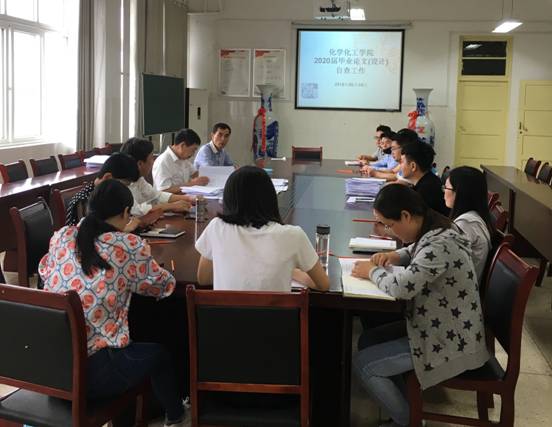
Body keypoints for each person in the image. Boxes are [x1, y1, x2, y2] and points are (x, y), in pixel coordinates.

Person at [39, 180, 187, 427]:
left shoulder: (62, 236)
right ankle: (176, 417)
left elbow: (44, 270)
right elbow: (163, 286)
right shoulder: (127, 245)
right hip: (92, 375)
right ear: (126, 213)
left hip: (49, 367)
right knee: (160, 355)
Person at [351, 184, 489, 427]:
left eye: (389, 225)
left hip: (449, 339)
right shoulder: (436, 226)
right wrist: (395, 256)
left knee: (365, 366)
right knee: (368, 340)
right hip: (439, 325)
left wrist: (371, 271)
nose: (388, 232)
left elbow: (402, 287)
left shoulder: (440, 243)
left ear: (406, 216)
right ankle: (408, 408)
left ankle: (409, 421)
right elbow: (418, 250)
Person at [195, 165, 330, 292]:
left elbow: (203, 279)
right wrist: (292, 271)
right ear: (270, 198)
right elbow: (323, 284)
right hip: (275, 311)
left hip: (224, 310)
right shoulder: (294, 235)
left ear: (228, 198)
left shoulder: (217, 228)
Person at [65, 152, 158, 230]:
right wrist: (125, 229)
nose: (125, 190)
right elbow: (88, 235)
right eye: (124, 185)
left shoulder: (109, 194)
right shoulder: (83, 201)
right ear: (108, 177)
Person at [121, 137, 195, 216]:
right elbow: (136, 210)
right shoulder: (122, 183)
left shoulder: (138, 179)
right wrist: (171, 206)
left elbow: (156, 196)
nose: (153, 162)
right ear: (140, 164)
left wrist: (189, 198)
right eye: (151, 158)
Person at [444, 166, 492, 281]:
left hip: (458, 287)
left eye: (446, 188)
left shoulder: (466, 224)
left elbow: (442, 259)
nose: (444, 192)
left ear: (460, 193)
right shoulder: (472, 217)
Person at [400, 142, 450, 216]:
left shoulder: (426, 191)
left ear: (413, 166)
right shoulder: (429, 180)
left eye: (402, 162)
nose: (400, 166)